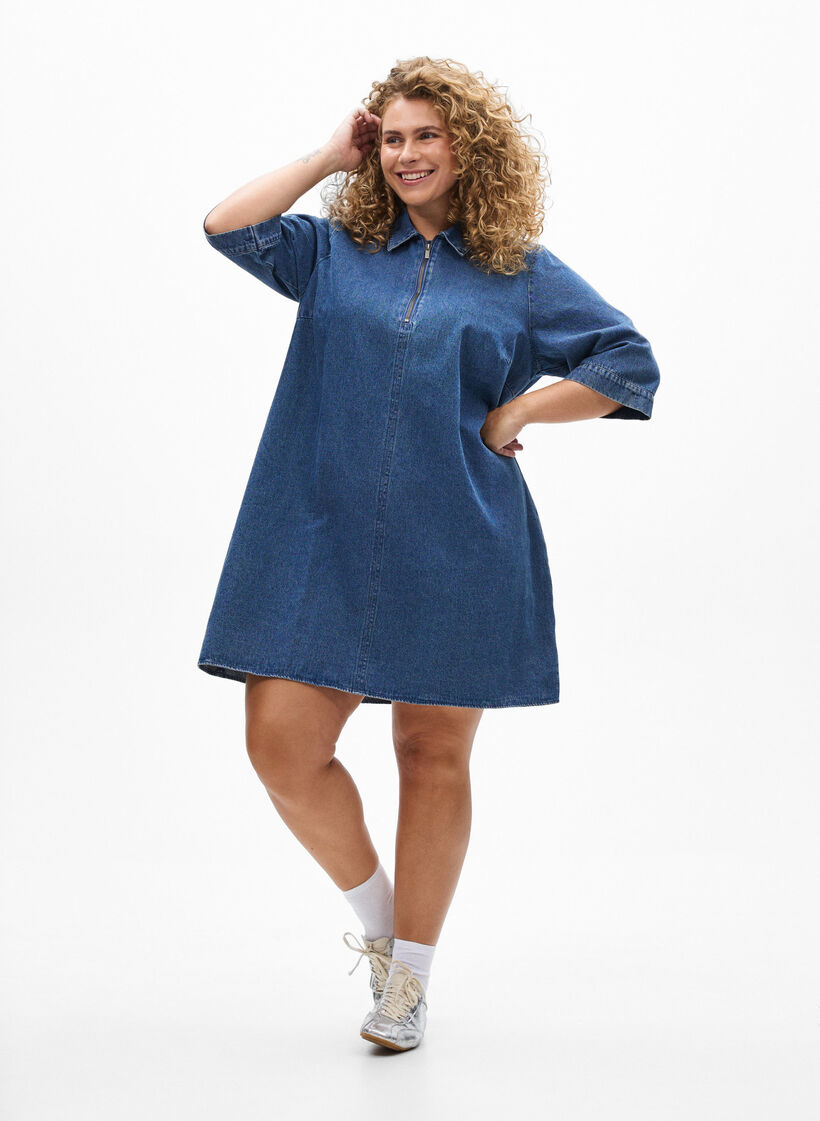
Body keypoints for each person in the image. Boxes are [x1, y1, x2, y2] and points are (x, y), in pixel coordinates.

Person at [197, 56, 661, 1052]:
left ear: (467, 148)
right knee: (280, 745)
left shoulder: (521, 274)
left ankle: (408, 980)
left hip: (457, 539)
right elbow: (225, 225)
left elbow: (626, 360)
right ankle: (380, 925)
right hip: (317, 533)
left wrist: (521, 410)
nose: (407, 154)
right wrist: (329, 155)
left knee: (430, 753)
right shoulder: (333, 251)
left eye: (427, 136)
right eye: (394, 138)